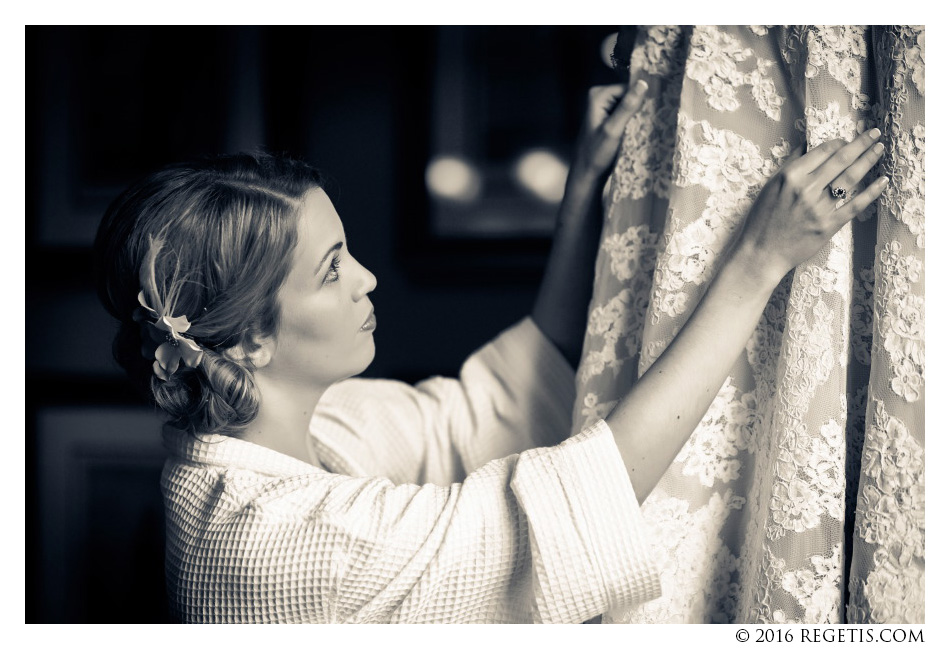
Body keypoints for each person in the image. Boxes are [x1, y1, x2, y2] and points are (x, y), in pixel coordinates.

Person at [94, 77, 887, 623]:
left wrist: (583, 196)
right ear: (252, 340)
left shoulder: (299, 427)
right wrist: (758, 262)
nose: (369, 278)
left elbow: (493, 405)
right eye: (333, 271)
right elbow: (574, 501)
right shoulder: (268, 547)